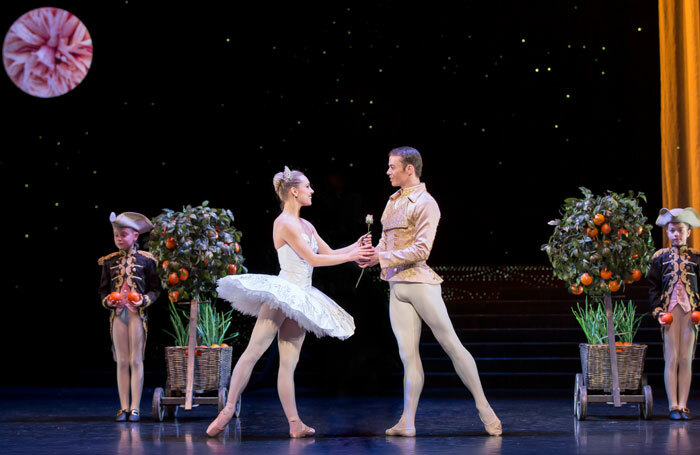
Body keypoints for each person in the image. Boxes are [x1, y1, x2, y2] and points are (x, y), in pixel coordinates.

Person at [207, 166, 374, 438]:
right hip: (284, 292)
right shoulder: (283, 222)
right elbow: (314, 259)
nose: (312, 190)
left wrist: (355, 248)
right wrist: (351, 255)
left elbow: (329, 252)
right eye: (307, 186)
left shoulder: (307, 224)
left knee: (288, 364)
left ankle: (295, 424)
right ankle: (227, 409)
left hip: (302, 296)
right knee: (254, 351)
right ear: (294, 192)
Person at [360, 146, 502, 436]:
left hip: (420, 284)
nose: (388, 172)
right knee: (407, 356)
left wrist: (382, 257)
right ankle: (407, 422)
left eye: (392, 166)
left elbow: (422, 249)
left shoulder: (426, 203)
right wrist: (370, 252)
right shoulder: (392, 202)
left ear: (409, 169)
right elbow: (389, 245)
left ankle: (485, 409)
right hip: (396, 286)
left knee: (451, 344)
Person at [98, 212, 162, 422]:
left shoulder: (147, 260)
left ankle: (135, 407)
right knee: (121, 361)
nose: (118, 238)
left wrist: (143, 300)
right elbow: (103, 290)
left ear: (135, 236)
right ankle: (123, 407)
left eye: (123, 234)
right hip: (118, 316)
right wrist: (108, 301)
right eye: (116, 234)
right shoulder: (108, 262)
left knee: (135, 360)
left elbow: (155, 289)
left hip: (136, 316)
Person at [649, 207, 700, 420]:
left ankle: (684, 404)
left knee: (686, 359)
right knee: (671, 358)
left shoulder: (697, 257)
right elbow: (653, 287)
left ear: (688, 232)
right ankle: (673, 405)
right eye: (672, 230)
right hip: (669, 313)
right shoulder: (660, 258)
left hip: (691, 313)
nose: (676, 234)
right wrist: (658, 311)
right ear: (667, 232)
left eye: (680, 230)